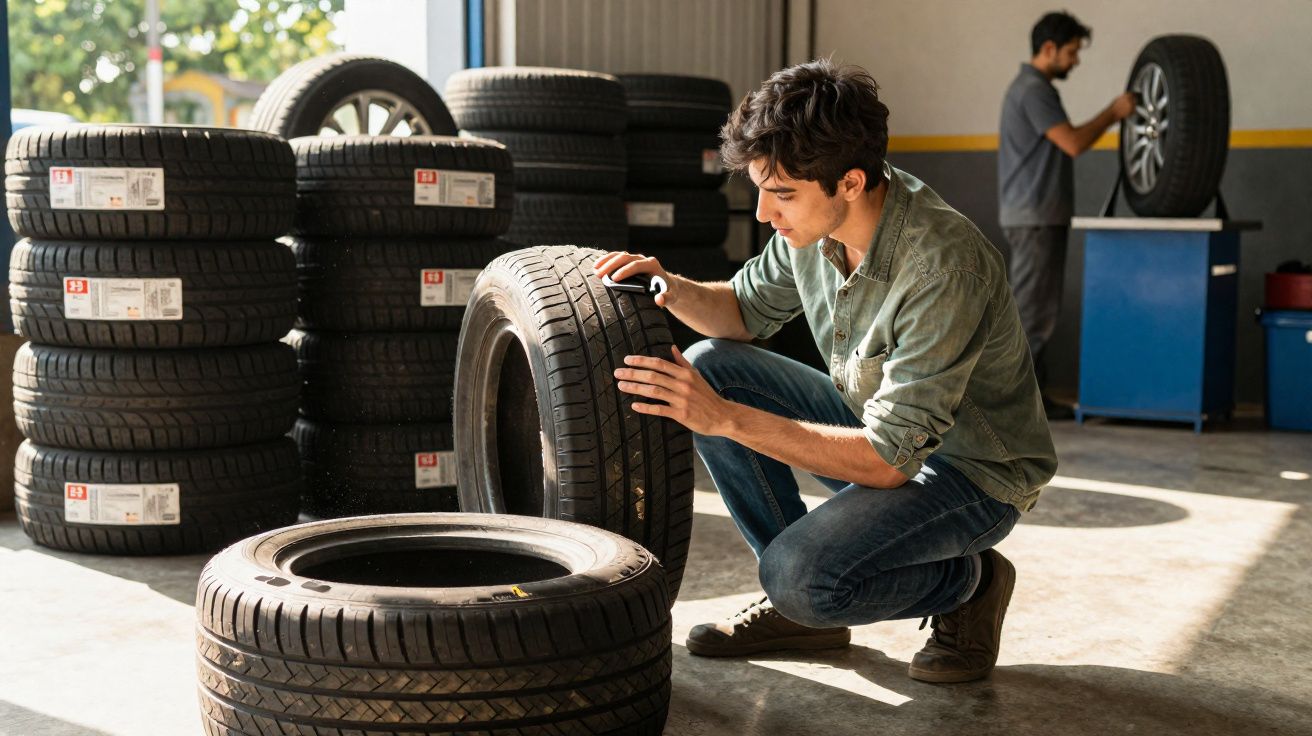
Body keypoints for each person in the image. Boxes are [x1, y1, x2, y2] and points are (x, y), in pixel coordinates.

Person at [592, 59, 1057, 684]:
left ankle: (968, 584)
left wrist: (724, 420)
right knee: (714, 366)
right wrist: (668, 286)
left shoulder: (943, 268)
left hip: (973, 474)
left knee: (799, 577)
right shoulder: (810, 227)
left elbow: (887, 464)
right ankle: (802, 615)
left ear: (851, 182)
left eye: (781, 194)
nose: (763, 213)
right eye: (761, 188)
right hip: (882, 432)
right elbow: (738, 312)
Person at [998, 11, 1135, 418]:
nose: (1076, 61)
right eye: (1072, 52)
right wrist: (1114, 112)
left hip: (1037, 213)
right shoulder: (1033, 90)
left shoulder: (1031, 88)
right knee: (1032, 315)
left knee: (1036, 311)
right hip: (1035, 215)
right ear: (1049, 49)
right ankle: (1013, 409)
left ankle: (1031, 403)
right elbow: (1072, 142)